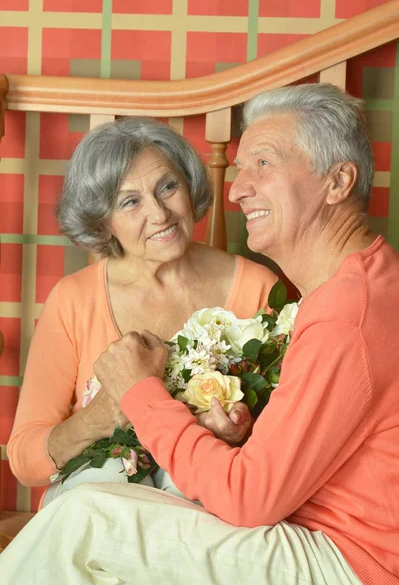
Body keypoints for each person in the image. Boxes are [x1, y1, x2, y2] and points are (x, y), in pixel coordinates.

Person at [1, 83, 398, 585]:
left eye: (264, 164)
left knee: (86, 520)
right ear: (104, 223)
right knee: (82, 512)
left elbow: (252, 491)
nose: (236, 189)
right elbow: (293, 449)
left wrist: (144, 395)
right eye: (129, 201)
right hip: (315, 529)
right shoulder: (356, 287)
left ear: (338, 181)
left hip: (347, 556)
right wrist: (105, 415)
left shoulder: (335, 309)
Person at [6, 117, 277, 507]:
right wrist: (95, 420)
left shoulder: (257, 287)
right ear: (104, 221)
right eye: (130, 201)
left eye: (167, 187)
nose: (160, 213)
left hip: (207, 511)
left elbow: (289, 445)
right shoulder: (73, 300)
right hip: (100, 508)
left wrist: (240, 433)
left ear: (188, 185)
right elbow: (25, 460)